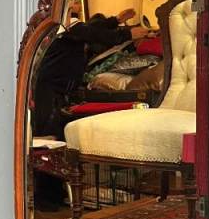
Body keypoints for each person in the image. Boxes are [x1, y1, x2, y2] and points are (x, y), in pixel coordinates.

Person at [31, 8, 149, 137]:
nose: (75, 4)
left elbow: (90, 28)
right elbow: (92, 33)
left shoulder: (68, 26)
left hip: (58, 87)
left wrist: (116, 20)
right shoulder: (62, 25)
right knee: (49, 131)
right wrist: (128, 34)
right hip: (52, 88)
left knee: (56, 128)